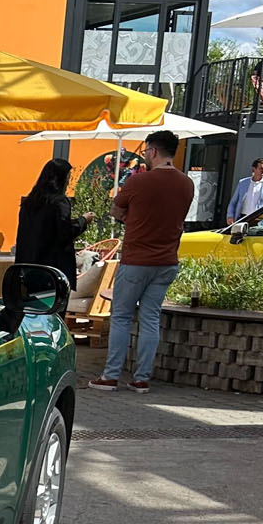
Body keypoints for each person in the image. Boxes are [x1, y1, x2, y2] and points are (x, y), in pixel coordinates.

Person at [94, 130, 194, 394]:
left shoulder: (138, 181)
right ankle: (141, 379)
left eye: (146, 151)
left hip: (137, 260)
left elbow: (116, 210)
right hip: (167, 261)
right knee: (151, 318)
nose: (145, 156)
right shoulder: (187, 184)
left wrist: (132, 220)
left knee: (121, 317)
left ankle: (110, 376)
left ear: (153, 151)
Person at [15, 159, 95, 286]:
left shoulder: (29, 203)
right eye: (68, 177)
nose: (68, 181)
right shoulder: (60, 202)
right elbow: (65, 233)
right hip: (52, 270)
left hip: (28, 267)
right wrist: (83, 220)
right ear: (61, 179)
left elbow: (44, 228)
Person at [226, 157, 263, 225]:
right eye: (261, 168)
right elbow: (233, 202)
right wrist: (230, 216)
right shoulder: (243, 183)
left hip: (259, 220)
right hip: (242, 218)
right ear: (254, 169)